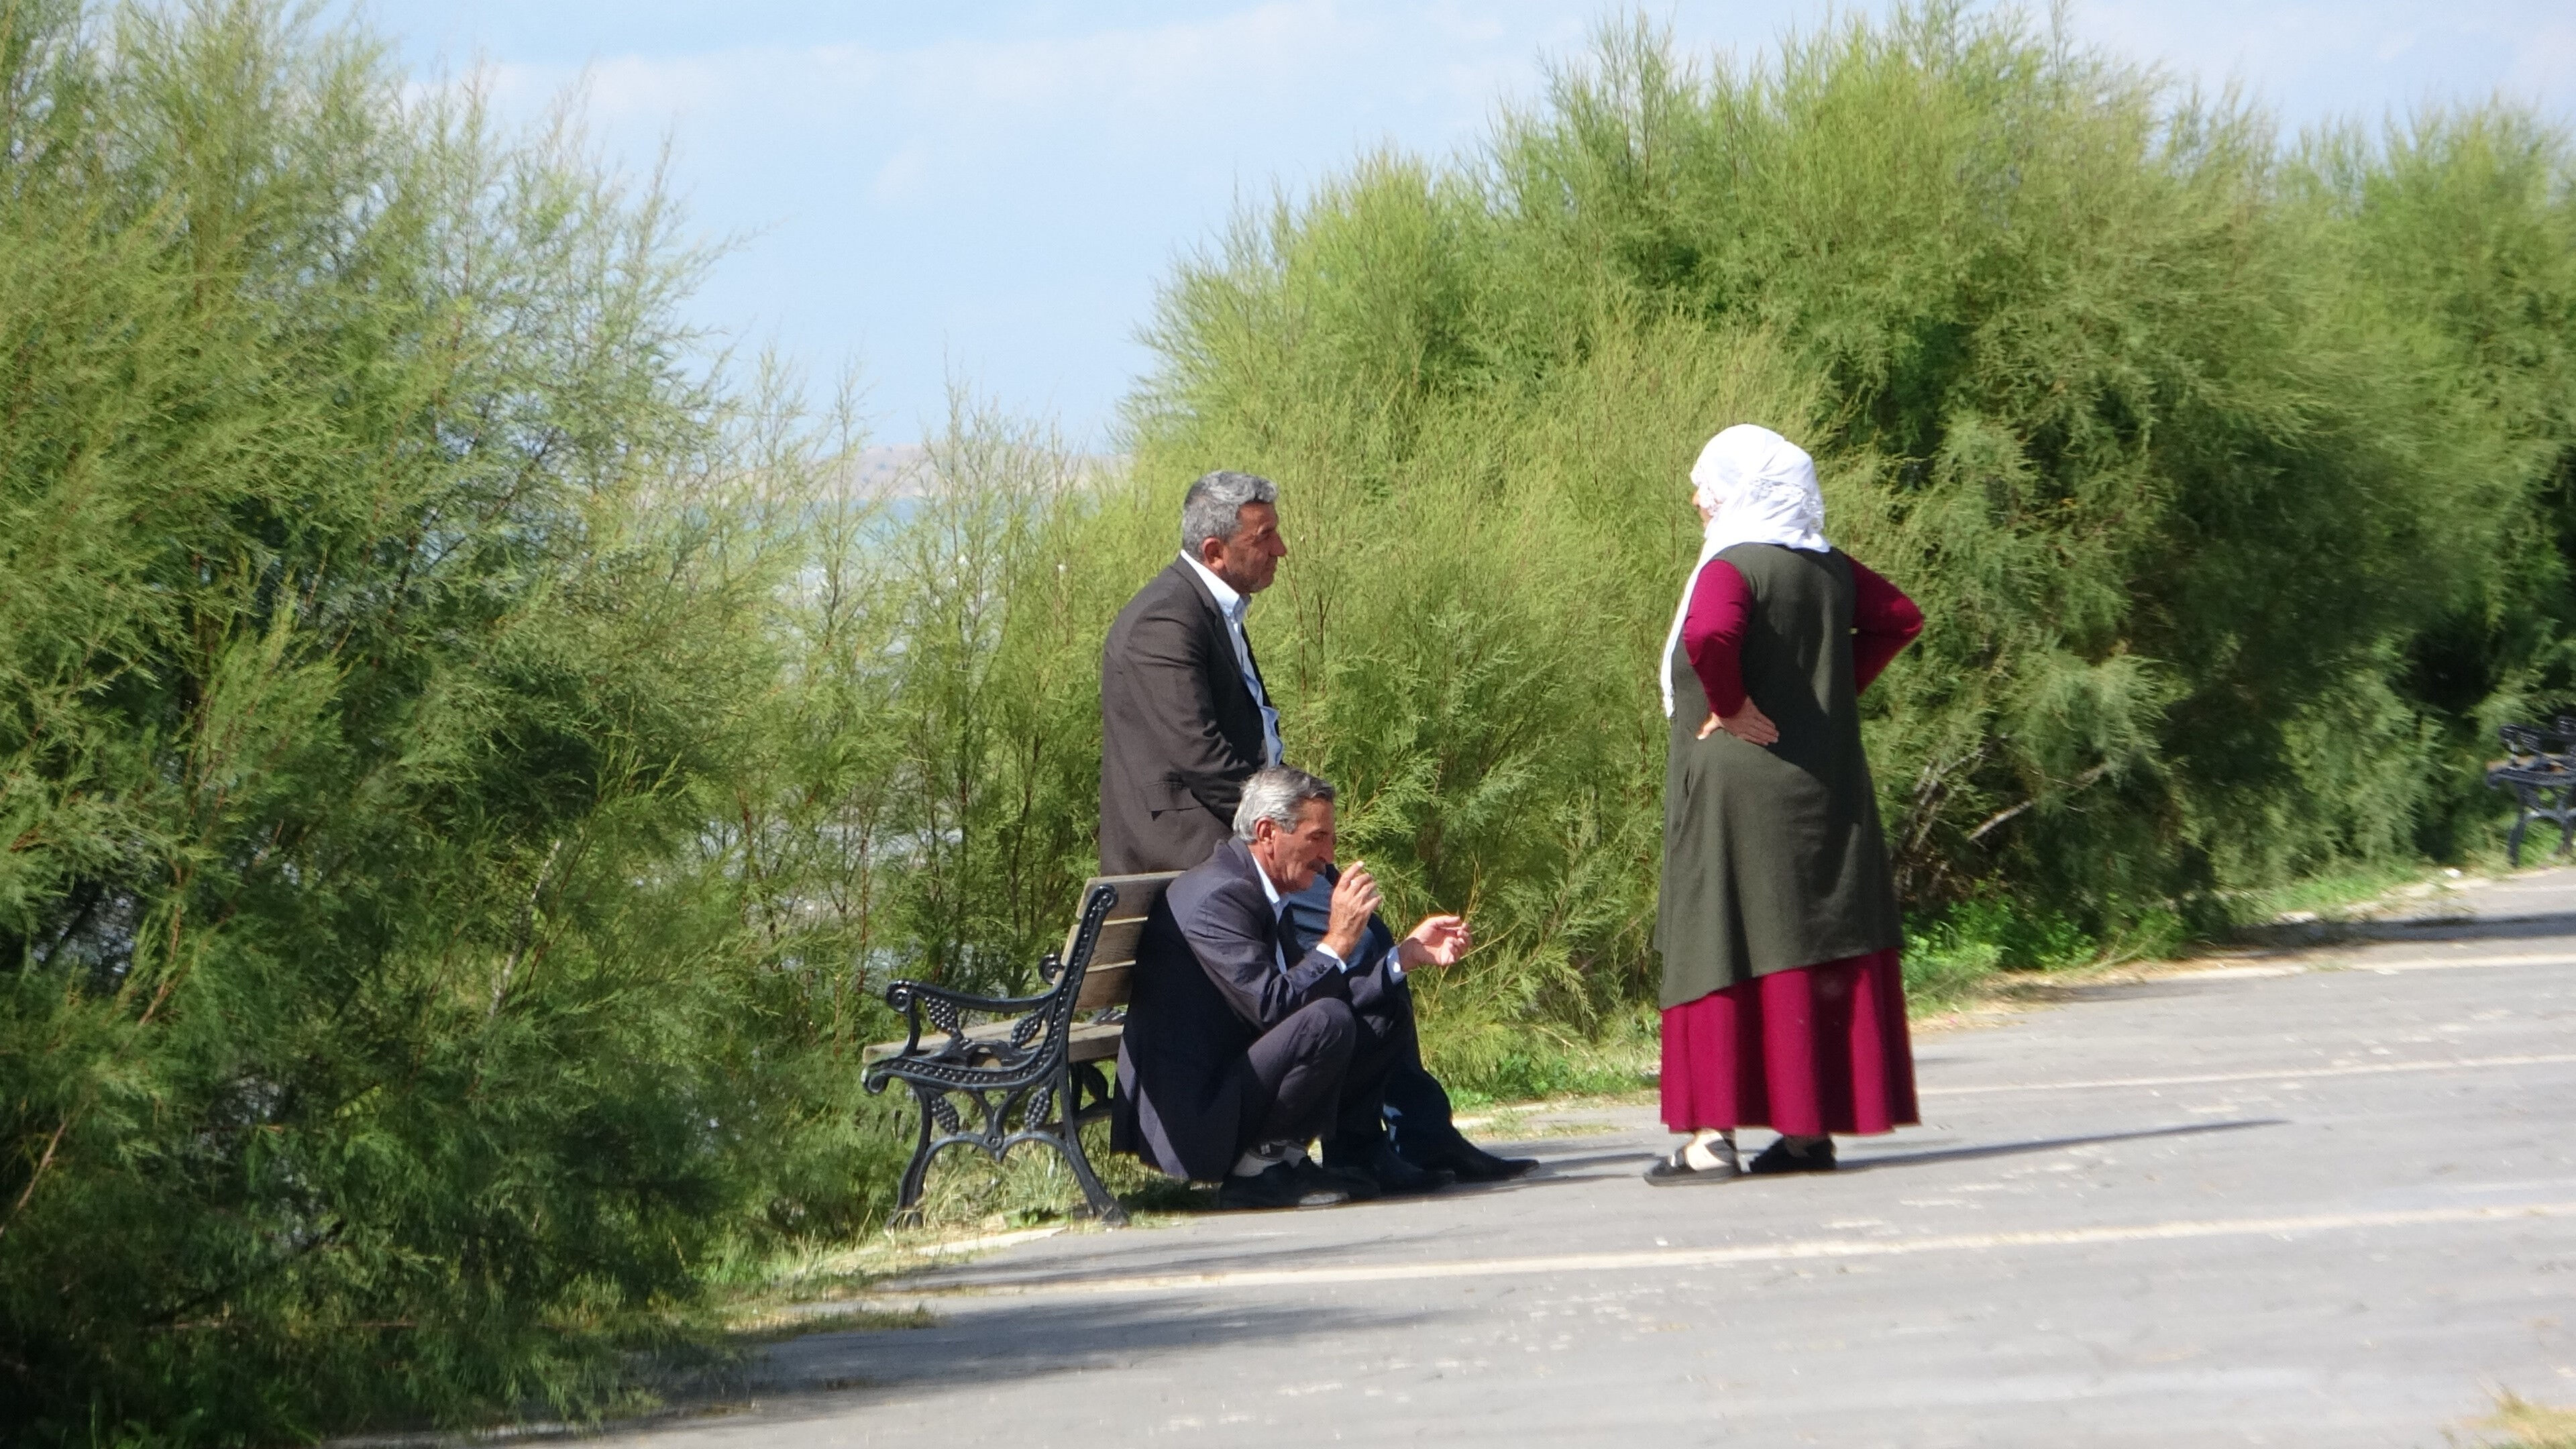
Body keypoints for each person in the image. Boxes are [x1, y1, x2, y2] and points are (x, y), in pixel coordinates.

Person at [1098, 470, 1535, 1185]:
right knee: (1364, 946)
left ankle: (1394, 1138)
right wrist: (1289, 834)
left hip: (1250, 840)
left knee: (1372, 943)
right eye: (1264, 536)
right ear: (1215, 551)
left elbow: (1244, 746)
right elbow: (1203, 761)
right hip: (1205, 859)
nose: (1282, 549)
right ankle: (1378, 1141)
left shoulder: (1210, 611)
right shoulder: (1164, 622)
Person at [1647, 424, 1925, 1183]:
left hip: (1738, 788)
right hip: (1823, 785)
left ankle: (1711, 1141)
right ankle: (1807, 1133)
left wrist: (1732, 704)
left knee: (1720, 941)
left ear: (1742, 492)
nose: (1700, 502)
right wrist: (1824, 697)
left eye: (1709, 487)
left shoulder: (1733, 565)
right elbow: (1901, 618)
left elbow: (1710, 633)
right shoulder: (1826, 566)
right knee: (1806, 942)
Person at [1112, 767, 1473, 1210]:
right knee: (1327, 1019)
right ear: (1268, 833)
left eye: (1332, 840)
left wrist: (1404, 958)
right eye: (1317, 838)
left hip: (1237, 1077)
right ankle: (1256, 1171)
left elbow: (1296, 999)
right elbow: (1273, 1007)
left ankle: (1301, 1158)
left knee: (1382, 1009)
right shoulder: (1220, 897)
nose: (1329, 855)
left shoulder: (1260, 886)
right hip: (1198, 1115)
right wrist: (1337, 940)